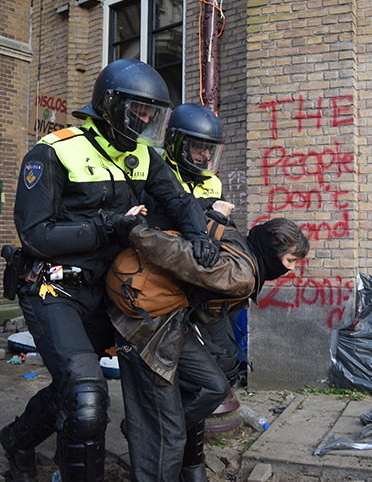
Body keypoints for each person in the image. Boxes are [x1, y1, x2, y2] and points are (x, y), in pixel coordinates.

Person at [0, 59, 220, 482]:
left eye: (152, 115)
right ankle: (20, 447)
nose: (144, 122)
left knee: (78, 387)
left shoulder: (144, 156)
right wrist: (108, 226)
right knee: (86, 396)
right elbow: (34, 235)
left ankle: (16, 437)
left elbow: (178, 201)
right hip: (53, 289)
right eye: (138, 111)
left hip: (111, 292)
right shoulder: (53, 150)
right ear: (110, 105)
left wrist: (199, 237)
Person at [106, 207, 310, 482]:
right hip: (147, 327)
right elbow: (182, 256)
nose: (291, 269)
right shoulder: (241, 274)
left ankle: (148, 426)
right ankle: (156, 431)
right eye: (289, 260)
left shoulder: (240, 242)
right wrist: (134, 230)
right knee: (170, 434)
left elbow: (204, 223)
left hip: (174, 319)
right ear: (272, 252)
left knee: (213, 387)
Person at [141, 102, 244, 479]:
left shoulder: (211, 181)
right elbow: (160, 227)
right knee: (180, 377)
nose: (202, 156)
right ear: (176, 143)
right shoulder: (158, 174)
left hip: (202, 288)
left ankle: (190, 455)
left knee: (226, 366)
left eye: (208, 149)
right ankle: (186, 461)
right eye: (196, 147)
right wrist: (207, 213)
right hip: (163, 290)